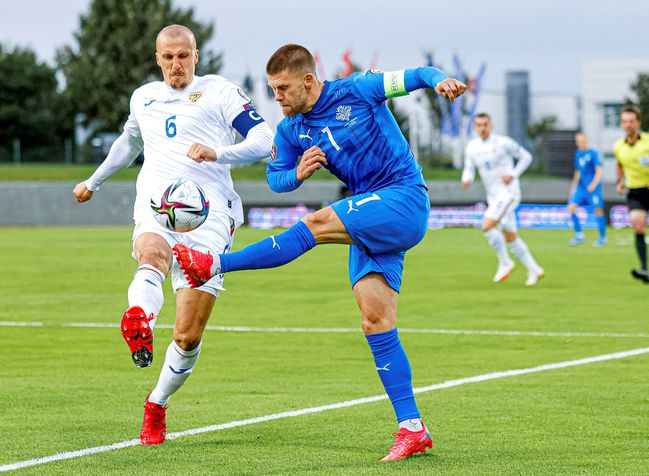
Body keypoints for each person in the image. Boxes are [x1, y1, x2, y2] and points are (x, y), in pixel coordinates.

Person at [174, 44, 467, 461]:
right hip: (368, 213)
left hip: (403, 197)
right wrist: (297, 172)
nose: (276, 97)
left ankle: (213, 264)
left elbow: (416, 75)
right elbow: (276, 179)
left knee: (313, 225)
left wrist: (441, 81)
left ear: (308, 81)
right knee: (375, 321)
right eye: (272, 89)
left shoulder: (359, 89)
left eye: (282, 88)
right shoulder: (291, 130)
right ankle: (413, 428)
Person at [72, 25, 273, 445]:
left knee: (187, 335)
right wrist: (94, 182)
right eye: (168, 57)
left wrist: (219, 152)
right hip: (157, 204)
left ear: (196, 56)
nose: (176, 65)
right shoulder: (143, 97)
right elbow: (127, 145)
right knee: (151, 256)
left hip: (211, 215)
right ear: (157, 58)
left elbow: (263, 139)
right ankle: (140, 319)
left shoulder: (220, 92)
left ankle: (157, 403)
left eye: (184, 56)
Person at [461, 113, 545, 286]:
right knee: (511, 237)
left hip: (508, 193)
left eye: (485, 124)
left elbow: (526, 157)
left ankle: (505, 262)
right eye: (478, 125)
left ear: (491, 126)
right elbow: (469, 167)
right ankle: (534, 269)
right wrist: (466, 178)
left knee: (486, 226)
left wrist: (513, 174)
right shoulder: (472, 147)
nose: (482, 128)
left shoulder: (503, 143)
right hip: (493, 196)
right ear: (475, 127)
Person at [614, 105, 649, 283]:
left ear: (638, 123)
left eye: (631, 121)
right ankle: (644, 269)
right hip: (636, 191)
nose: (628, 125)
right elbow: (620, 164)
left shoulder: (647, 142)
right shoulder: (618, 147)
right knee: (638, 225)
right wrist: (620, 182)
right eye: (625, 121)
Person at [568, 132, 606, 246]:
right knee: (571, 208)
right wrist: (573, 187)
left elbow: (599, 170)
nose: (580, 143)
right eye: (578, 141)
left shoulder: (593, 153)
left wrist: (593, 185)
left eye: (582, 141)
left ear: (586, 140)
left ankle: (602, 237)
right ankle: (579, 235)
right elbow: (578, 171)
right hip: (581, 188)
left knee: (598, 211)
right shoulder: (578, 153)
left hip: (593, 188)